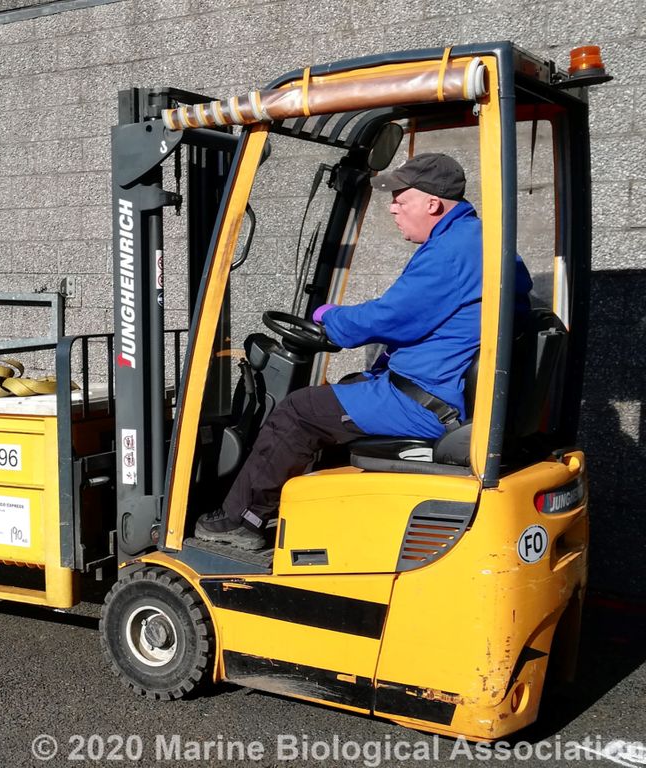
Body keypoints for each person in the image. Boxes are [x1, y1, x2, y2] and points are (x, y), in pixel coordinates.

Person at [195, 152, 534, 550]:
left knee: (297, 412)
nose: (393, 208)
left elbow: (392, 316)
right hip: (439, 389)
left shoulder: (452, 252)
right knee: (342, 392)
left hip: (427, 401)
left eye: (400, 199)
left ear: (432, 203)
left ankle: (241, 520)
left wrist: (331, 319)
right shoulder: (478, 241)